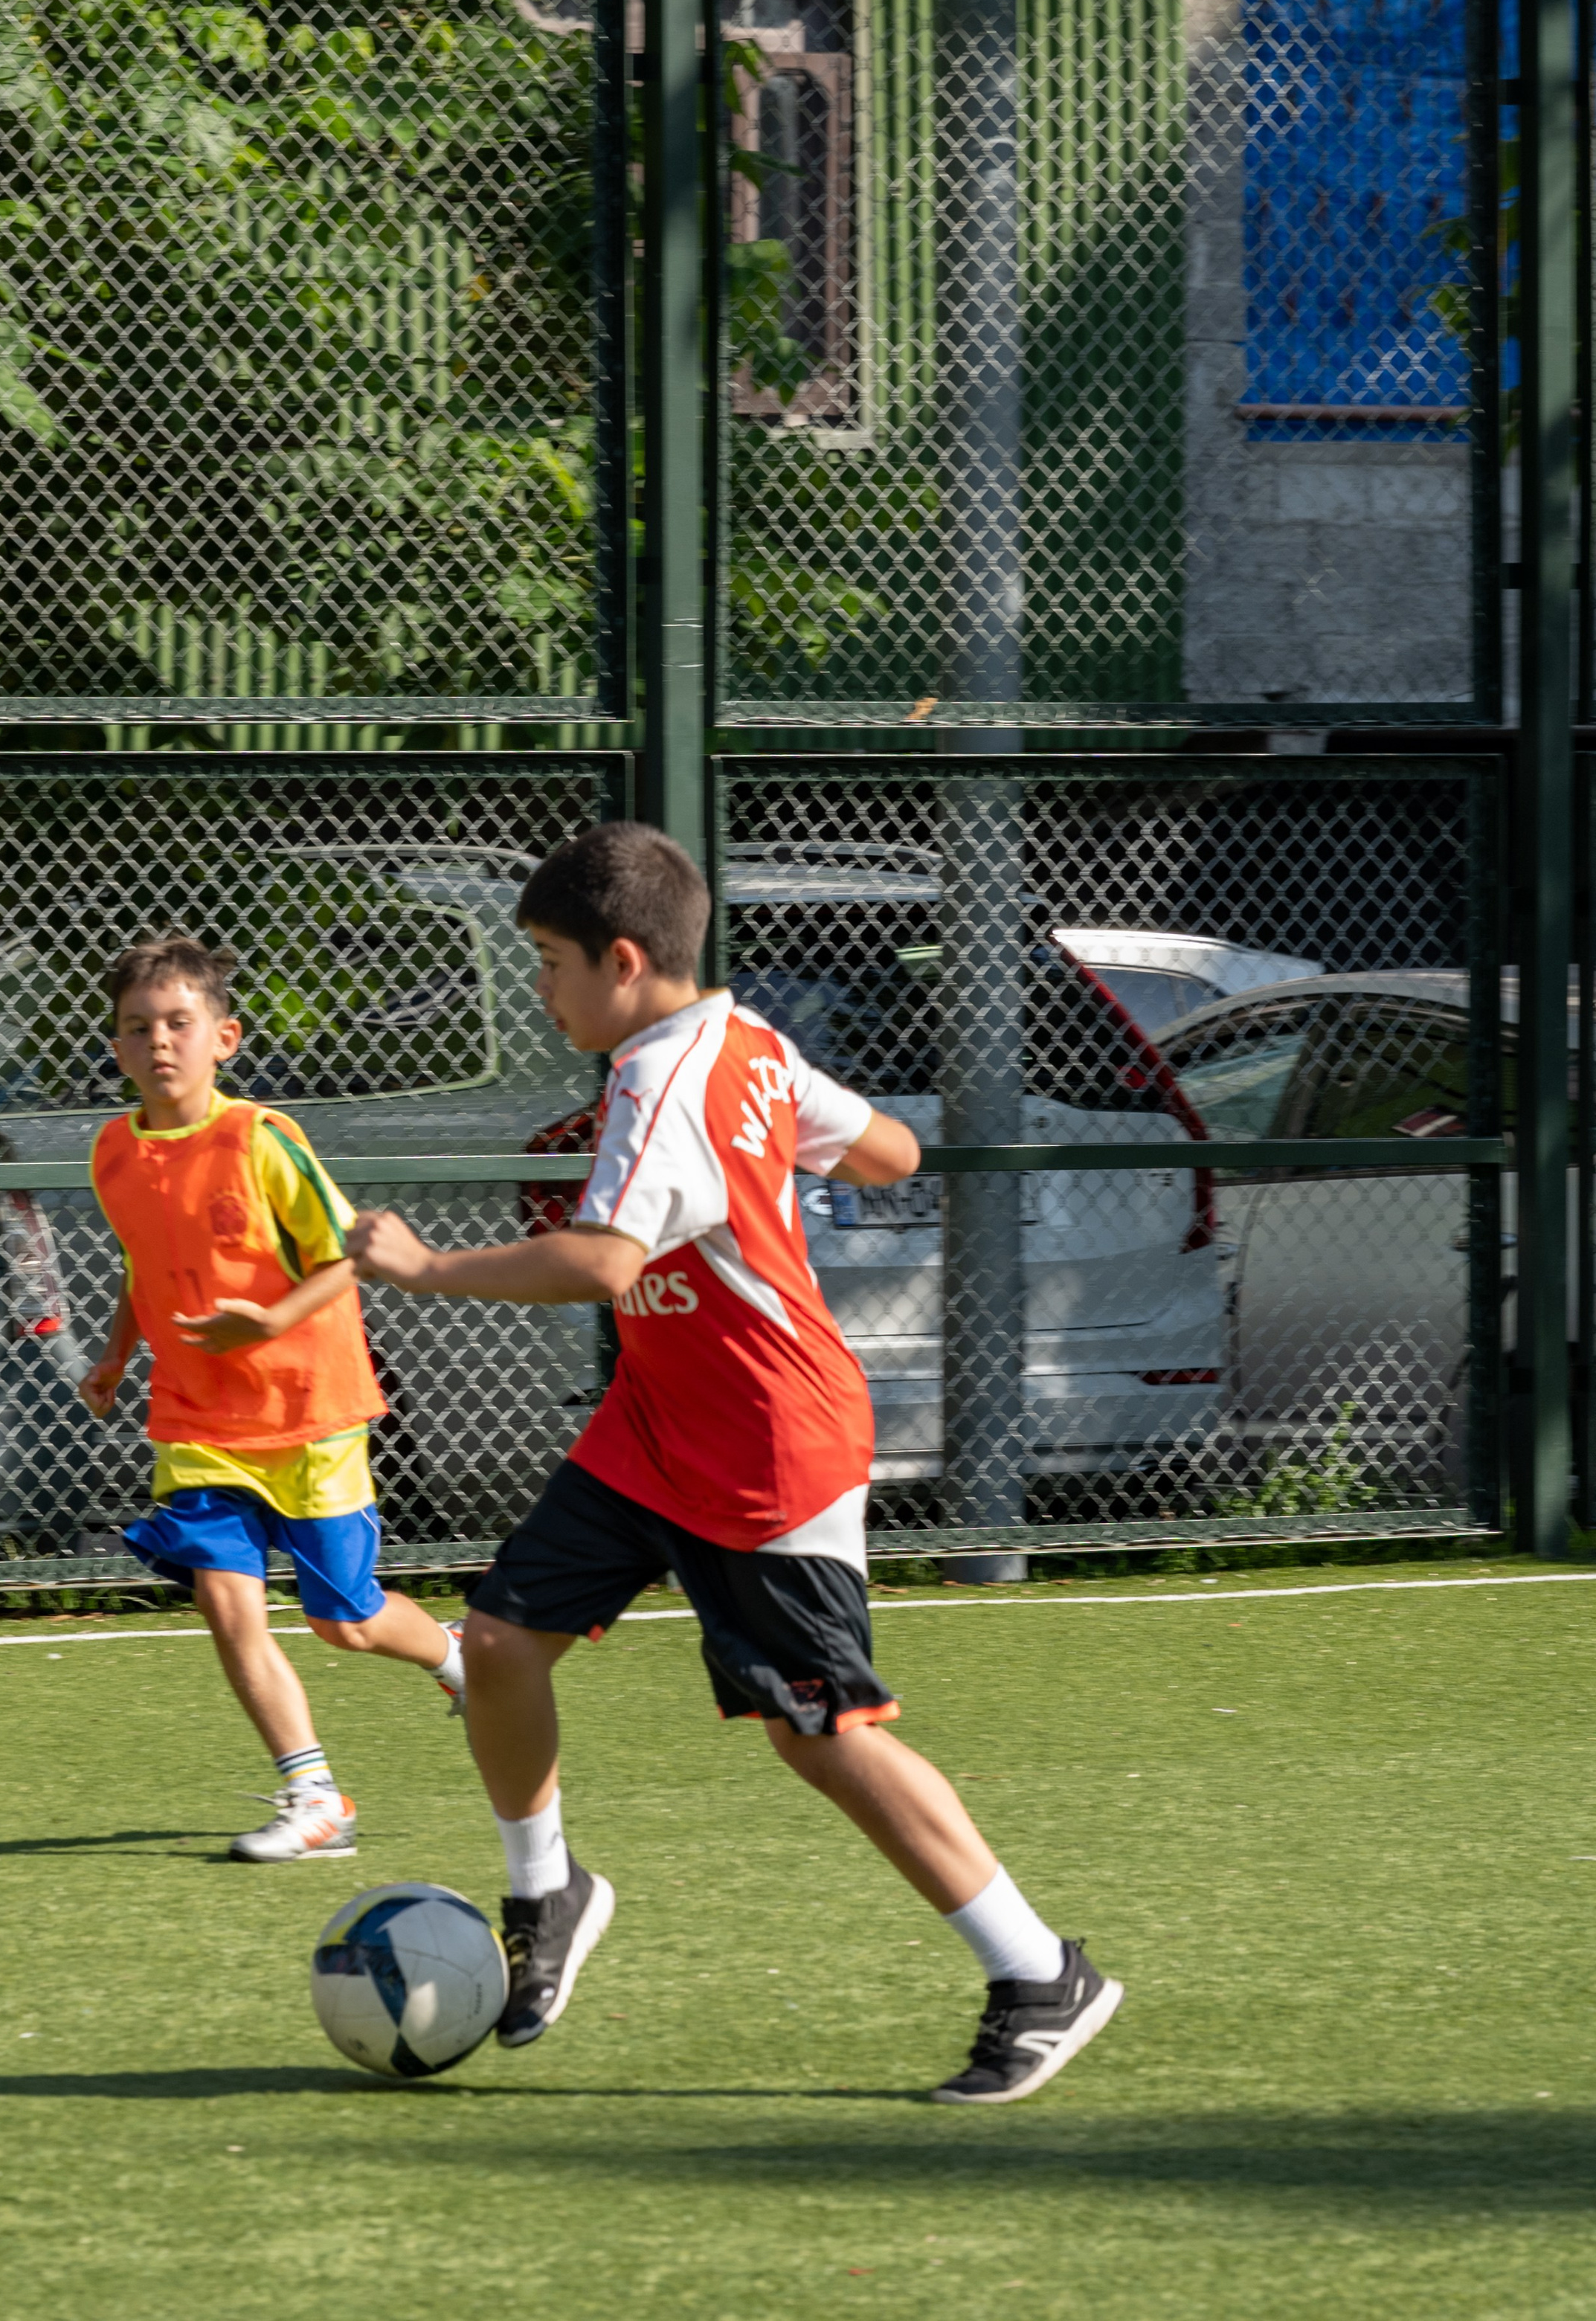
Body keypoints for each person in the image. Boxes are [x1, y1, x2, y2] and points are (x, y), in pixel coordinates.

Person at [350, 822, 1122, 2102]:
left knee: (821, 1735)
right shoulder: (747, 1042)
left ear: (629, 959)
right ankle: (547, 1891)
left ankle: (1040, 1970)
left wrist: (426, 1266)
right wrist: (781, 1160)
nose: (540, 990)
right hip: (660, 1426)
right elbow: (890, 1149)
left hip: (770, 1445)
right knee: (495, 1639)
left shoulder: (664, 1078)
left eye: (549, 961)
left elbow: (602, 1261)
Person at [77, 932, 466, 1863]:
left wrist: (265, 1323)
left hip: (310, 1412)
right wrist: (114, 1356)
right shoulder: (112, 1153)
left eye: (180, 1022)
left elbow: (344, 1256)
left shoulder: (262, 1139)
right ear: (119, 1048)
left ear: (226, 1037)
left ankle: (460, 1659)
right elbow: (147, 1267)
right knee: (227, 1604)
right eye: (139, 1028)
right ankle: (314, 1794)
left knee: (347, 1619)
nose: (160, 1041)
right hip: (198, 1422)